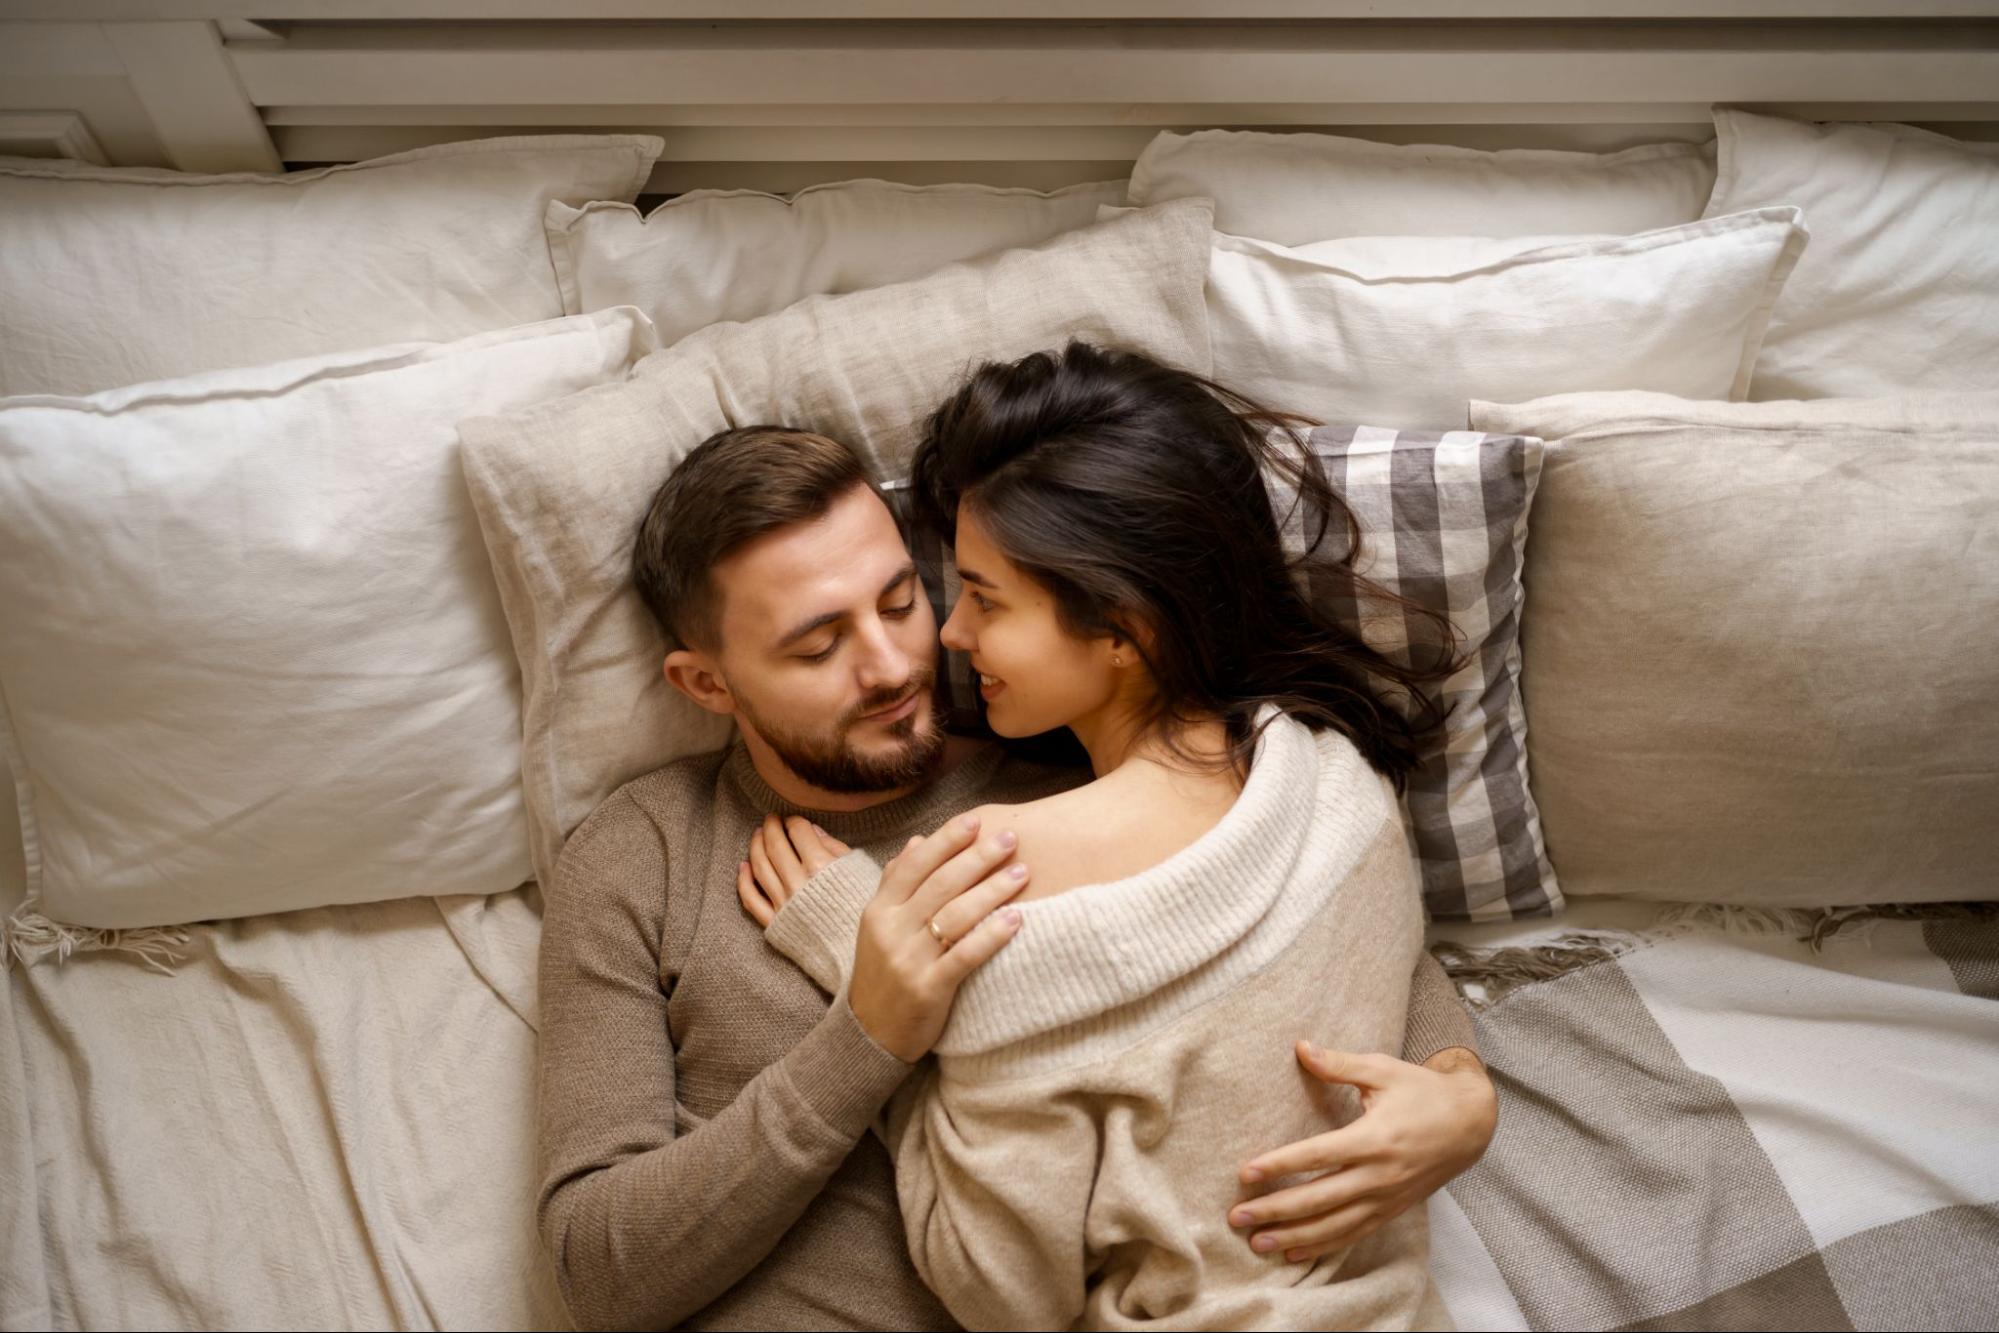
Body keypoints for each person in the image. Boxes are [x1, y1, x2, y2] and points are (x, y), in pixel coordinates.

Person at [533, 406, 1497, 1330]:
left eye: (903, 598)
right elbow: (599, 1275)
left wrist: (1456, 1087)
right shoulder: (642, 854)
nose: (892, 664)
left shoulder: (1071, 785)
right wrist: (864, 1035)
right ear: (706, 682)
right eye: (818, 644)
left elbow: (1315, 917)